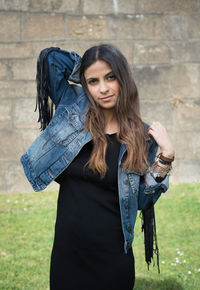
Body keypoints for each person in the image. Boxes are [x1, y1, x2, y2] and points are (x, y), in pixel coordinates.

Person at [20, 44, 175, 290]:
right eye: (93, 81)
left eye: (111, 77)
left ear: (124, 78)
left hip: (111, 259)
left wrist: (166, 157)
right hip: (67, 254)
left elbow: (142, 202)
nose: (103, 88)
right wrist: (92, 59)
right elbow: (51, 60)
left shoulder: (142, 136)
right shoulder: (74, 110)